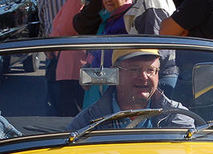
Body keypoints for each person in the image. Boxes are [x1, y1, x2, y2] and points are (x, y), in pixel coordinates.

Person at [67, 49, 195, 131]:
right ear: (115, 73)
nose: (144, 77)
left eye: (150, 70)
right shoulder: (87, 122)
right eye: (134, 69)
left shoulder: (177, 116)